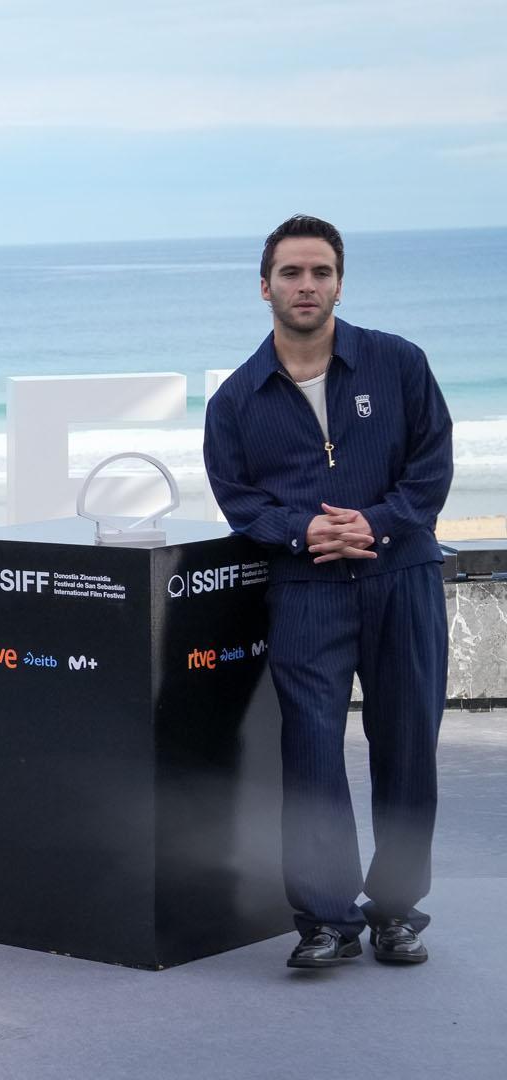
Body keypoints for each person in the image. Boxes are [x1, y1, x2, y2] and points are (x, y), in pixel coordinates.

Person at [204, 214, 453, 969]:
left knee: (407, 745)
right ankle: (325, 920)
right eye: (291, 273)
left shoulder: (399, 364)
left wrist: (372, 523)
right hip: (304, 591)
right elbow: (238, 498)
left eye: (319, 272)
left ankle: (398, 911)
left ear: (339, 282)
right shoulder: (238, 400)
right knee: (310, 750)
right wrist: (304, 533)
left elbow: (431, 469)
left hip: (400, 579)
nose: (306, 286)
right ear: (264, 287)